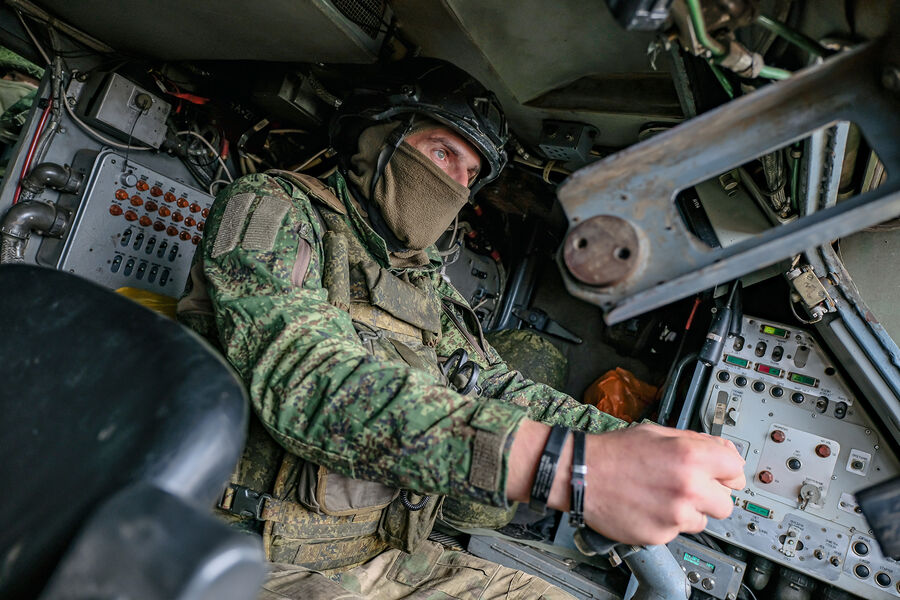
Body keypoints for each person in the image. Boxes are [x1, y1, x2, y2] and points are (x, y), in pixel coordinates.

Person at [177, 57, 745, 599]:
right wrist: (567, 467)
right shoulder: (275, 207)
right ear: (376, 136)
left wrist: (623, 441)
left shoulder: (425, 283)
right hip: (248, 551)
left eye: (470, 173)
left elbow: (494, 385)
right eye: (442, 152)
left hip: (383, 555)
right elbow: (309, 384)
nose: (455, 182)